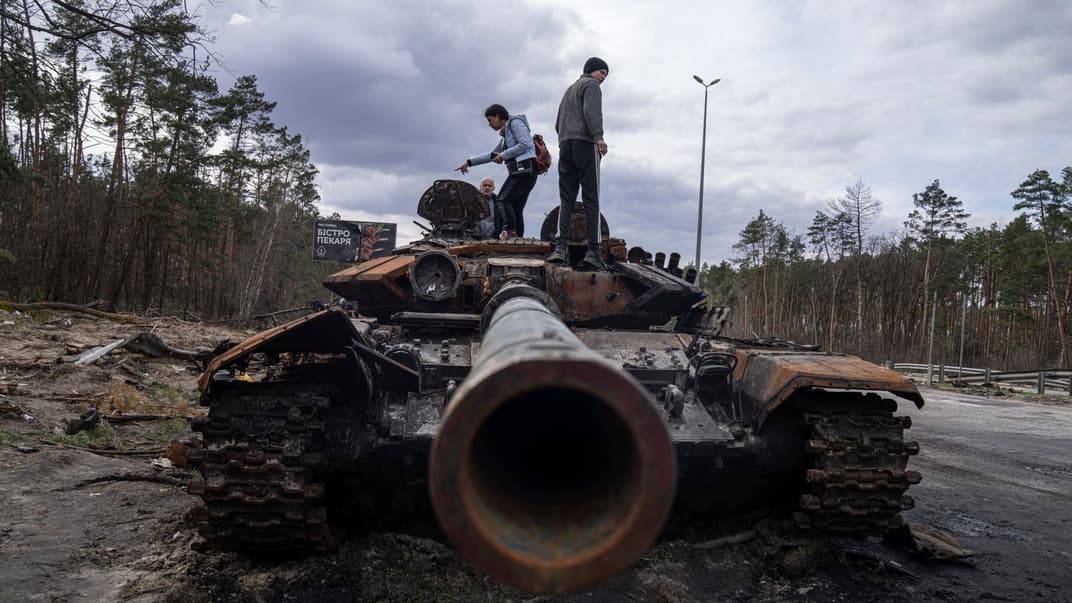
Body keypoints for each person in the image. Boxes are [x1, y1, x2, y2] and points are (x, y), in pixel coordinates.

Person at [548, 57, 610, 270]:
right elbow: (592, 112)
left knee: (567, 201)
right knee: (592, 199)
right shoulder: (591, 85)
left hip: (565, 146)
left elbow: (557, 123)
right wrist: (598, 137)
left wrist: (565, 139)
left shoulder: (569, 90)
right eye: (603, 73)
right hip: (585, 144)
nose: (603, 78)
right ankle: (593, 251)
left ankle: (560, 248)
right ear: (593, 71)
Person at [456, 104, 537, 238]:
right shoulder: (506, 136)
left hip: (524, 170)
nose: (489, 124)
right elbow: (492, 155)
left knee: (502, 199)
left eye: (490, 120)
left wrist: (504, 156)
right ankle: (518, 236)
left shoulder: (515, 123)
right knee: (516, 207)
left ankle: (509, 231)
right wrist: (469, 162)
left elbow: (525, 144)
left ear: (498, 116)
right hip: (523, 171)